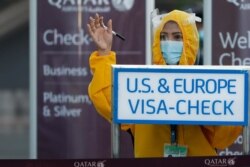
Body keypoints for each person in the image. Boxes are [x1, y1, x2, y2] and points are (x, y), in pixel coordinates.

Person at [87, 10, 242, 157]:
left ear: (190, 40)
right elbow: (110, 102)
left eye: (177, 37)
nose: (169, 43)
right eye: (163, 37)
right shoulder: (142, 85)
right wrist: (104, 54)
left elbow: (223, 138)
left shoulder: (205, 87)